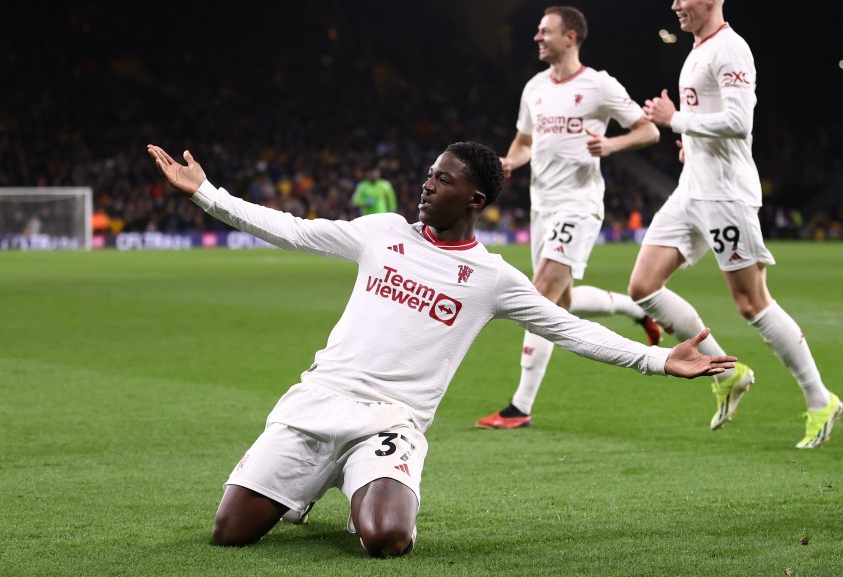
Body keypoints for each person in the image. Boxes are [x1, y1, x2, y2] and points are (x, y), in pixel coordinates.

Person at [147, 140, 736, 558]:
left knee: (386, 541)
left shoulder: (492, 277)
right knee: (230, 534)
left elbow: (567, 326)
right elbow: (294, 229)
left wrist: (658, 359)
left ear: (475, 197)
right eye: (429, 175)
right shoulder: (382, 232)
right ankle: (319, 478)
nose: (427, 185)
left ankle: (361, 484)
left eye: (443, 179)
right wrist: (207, 195)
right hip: (319, 399)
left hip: (390, 423)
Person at [628, 0, 843, 449]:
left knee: (751, 302)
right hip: (693, 187)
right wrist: (690, 140)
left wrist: (676, 121)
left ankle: (819, 399)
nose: (675, 4)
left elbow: (740, 121)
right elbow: (713, 122)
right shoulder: (697, 50)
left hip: (725, 194)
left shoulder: (731, 49)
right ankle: (726, 373)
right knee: (643, 285)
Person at [476, 5, 664, 430]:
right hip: (541, 205)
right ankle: (632, 307)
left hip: (578, 206)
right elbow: (525, 141)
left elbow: (648, 130)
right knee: (560, 302)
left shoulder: (598, 85)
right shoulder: (535, 88)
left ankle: (519, 407)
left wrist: (611, 146)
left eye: (545, 32)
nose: (537, 38)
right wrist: (511, 161)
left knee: (539, 295)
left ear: (571, 37)